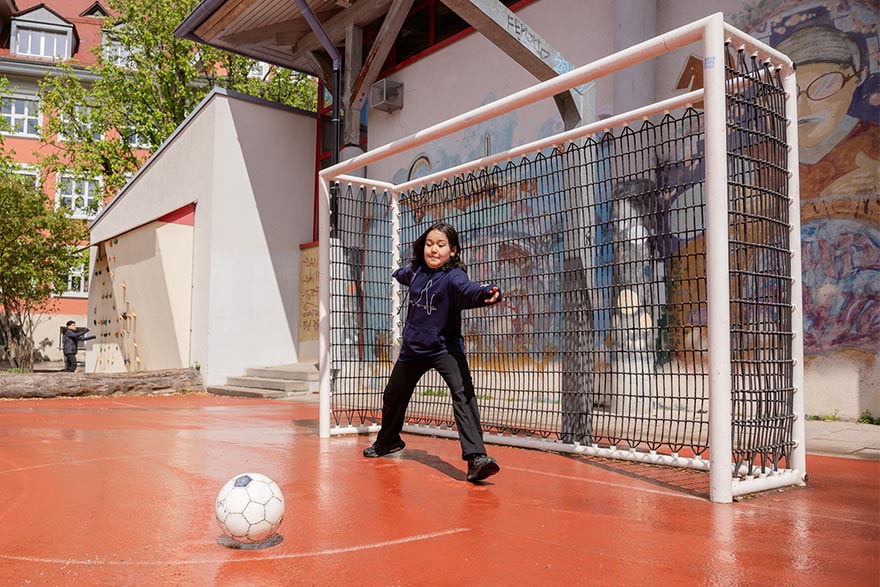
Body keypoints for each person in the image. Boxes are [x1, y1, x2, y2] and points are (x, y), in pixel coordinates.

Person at [363, 222, 503, 483]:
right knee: (393, 395)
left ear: (452, 251)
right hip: (413, 349)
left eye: (440, 245)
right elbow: (405, 274)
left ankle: (477, 458)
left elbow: (468, 290)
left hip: (444, 347)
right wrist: (397, 273)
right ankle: (388, 441)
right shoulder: (415, 271)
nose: (434, 250)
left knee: (463, 394)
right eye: (429, 244)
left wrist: (486, 293)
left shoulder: (454, 277)